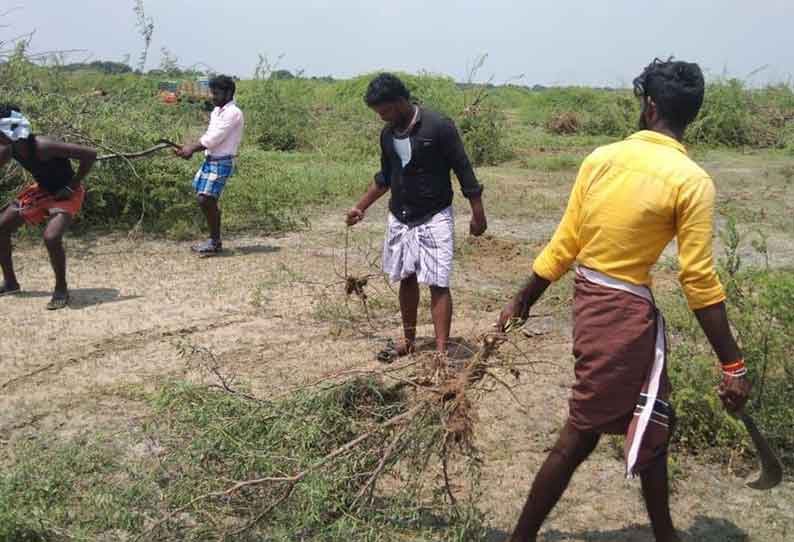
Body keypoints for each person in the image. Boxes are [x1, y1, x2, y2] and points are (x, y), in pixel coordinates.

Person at [496, 59, 752, 542]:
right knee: (580, 434)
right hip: (621, 317)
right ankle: (521, 537)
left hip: (599, 307)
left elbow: (565, 242)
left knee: (654, 415)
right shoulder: (692, 180)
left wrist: (523, 299)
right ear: (691, 114)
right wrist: (732, 364)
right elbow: (697, 280)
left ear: (649, 106)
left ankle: (665, 534)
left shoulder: (601, 158)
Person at [346, 73, 488, 360]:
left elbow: (464, 170)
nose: (381, 117)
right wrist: (360, 207)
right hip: (400, 216)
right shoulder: (387, 135)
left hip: (434, 215)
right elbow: (385, 178)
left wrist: (477, 213)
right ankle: (408, 340)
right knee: (406, 278)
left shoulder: (439, 127)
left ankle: (440, 352)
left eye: (384, 111)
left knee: (438, 282)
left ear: (400, 102)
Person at [0, 104, 96, 310]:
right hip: (42, 191)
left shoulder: (44, 146)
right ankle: (10, 283)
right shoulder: (11, 147)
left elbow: (90, 154)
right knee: (2, 226)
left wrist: (72, 186)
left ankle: (61, 288)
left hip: (66, 193)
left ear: (7, 132)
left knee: (51, 237)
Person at [175, 75, 244, 256]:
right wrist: (188, 148)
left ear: (228, 93)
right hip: (210, 160)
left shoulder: (233, 113)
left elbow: (214, 138)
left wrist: (191, 149)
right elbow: (209, 135)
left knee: (206, 199)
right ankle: (215, 240)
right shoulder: (217, 111)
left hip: (222, 161)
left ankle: (214, 241)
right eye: (212, 93)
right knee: (206, 200)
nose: (213, 97)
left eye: (217, 93)